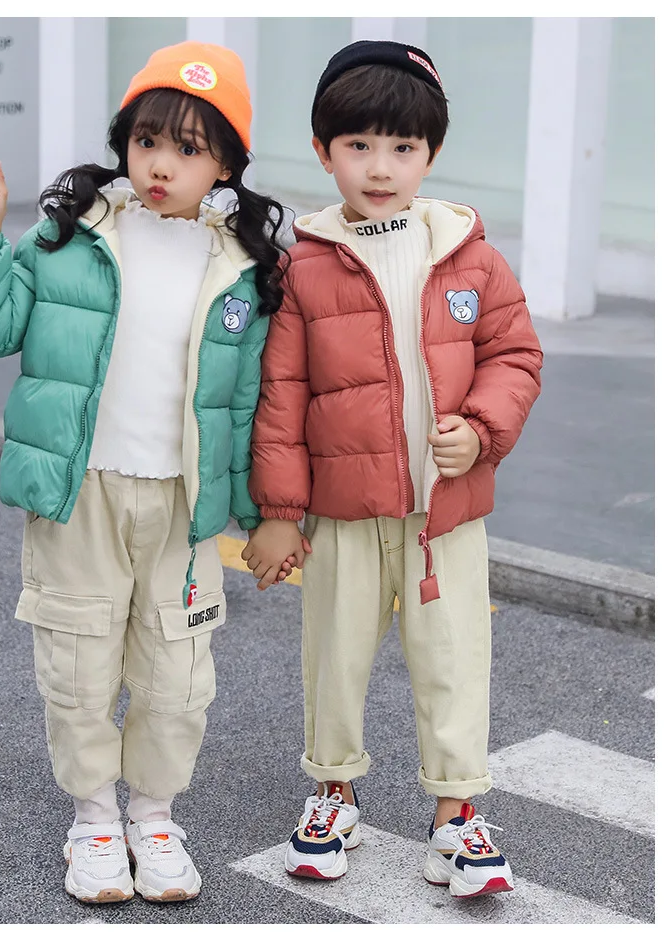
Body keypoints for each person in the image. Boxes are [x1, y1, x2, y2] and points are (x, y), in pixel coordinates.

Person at [0, 41, 303, 905]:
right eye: (146, 141)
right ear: (124, 145)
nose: (161, 165)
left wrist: (267, 514)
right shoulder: (71, 235)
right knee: (78, 666)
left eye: (188, 149)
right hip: (82, 493)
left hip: (185, 506)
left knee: (177, 678)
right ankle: (94, 820)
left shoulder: (244, 267)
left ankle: (154, 815)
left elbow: (249, 402)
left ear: (226, 165)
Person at [242, 40, 543, 898]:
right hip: (344, 511)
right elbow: (282, 395)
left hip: (446, 514)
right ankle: (332, 795)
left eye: (403, 147)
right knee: (334, 658)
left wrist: (480, 432)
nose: (380, 167)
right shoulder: (304, 263)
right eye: (359, 145)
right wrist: (279, 513)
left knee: (453, 658)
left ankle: (456, 817)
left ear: (430, 154)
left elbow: (515, 355)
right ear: (323, 151)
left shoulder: (469, 254)